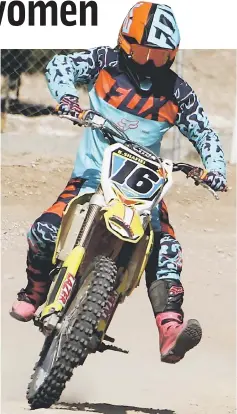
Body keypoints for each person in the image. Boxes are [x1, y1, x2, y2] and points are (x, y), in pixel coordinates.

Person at [10, 2, 227, 364]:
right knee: (43, 231)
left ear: (172, 55)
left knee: (168, 250)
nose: (148, 63)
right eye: (142, 52)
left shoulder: (178, 91)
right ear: (124, 43)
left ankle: (170, 327)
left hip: (145, 191)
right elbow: (60, 65)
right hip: (93, 176)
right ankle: (34, 292)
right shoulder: (103, 61)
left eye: (159, 56)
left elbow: (205, 132)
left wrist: (214, 168)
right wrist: (67, 98)